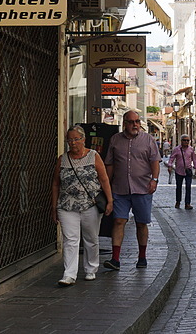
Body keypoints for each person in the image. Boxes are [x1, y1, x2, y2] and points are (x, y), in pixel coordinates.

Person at [51, 126, 113, 286]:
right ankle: (69, 274)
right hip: (66, 205)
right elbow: (56, 184)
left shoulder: (93, 156)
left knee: (91, 238)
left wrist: (110, 200)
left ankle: (91, 269)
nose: (72, 143)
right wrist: (54, 206)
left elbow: (104, 179)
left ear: (83, 139)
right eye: (69, 140)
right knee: (70, 240)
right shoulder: (63, 159)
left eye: (76, 139)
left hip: (90, 204)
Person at [103, 110, 160, 270]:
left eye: (137, 121)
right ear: (124, 123)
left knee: (141, 223)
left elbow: (155, 161)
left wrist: (154, 180)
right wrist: (106, 185)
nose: (135, 125)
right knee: (119, 220)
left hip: (142, 188)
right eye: (131, 122)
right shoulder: (115, 140)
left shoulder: (148, 140)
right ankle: (115, 259)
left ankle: (142, 257)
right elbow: (110, 164)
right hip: (120, 188)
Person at [169, 134, 196, 209]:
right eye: (184, 140)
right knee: (178, 187)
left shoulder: (191, 149)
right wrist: (170, 165)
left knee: (188, 187)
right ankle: (178, 201)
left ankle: (187, 203)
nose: (186, 142)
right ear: (181, 141)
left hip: (188, 171)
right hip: (179, 171)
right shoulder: (176, 149)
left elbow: (194, 159)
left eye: (187, 140)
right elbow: (172, 158)